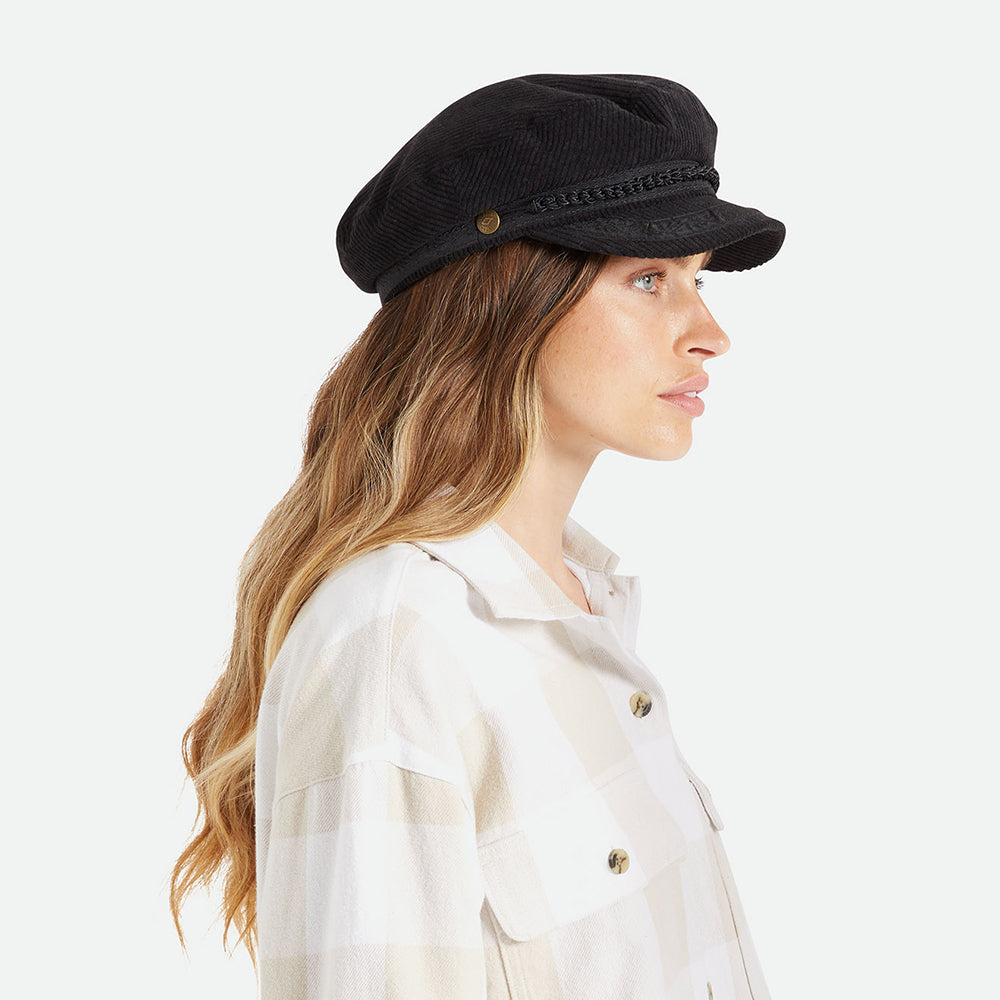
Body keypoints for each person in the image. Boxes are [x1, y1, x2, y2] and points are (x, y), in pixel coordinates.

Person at [170, 72, 786, 1000]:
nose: (709, 333)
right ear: (506, 302)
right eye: (649, 279)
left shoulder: (581, 605)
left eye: (695, 280)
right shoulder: (398, 639)